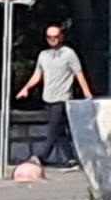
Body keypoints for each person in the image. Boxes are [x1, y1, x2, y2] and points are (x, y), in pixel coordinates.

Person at [16, 22, 90, 168]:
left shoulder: (69, 54)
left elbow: (78, 74)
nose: (53, 40)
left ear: (61, 37)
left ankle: (40, 157)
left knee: (53, 129)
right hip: (48, 98)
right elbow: (37, 75)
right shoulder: (43, 55)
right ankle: (70, 159)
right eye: (49, 37)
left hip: (62, 99)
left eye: (55, 36)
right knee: (59, 131)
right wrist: (26, 88)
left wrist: (87, 94)